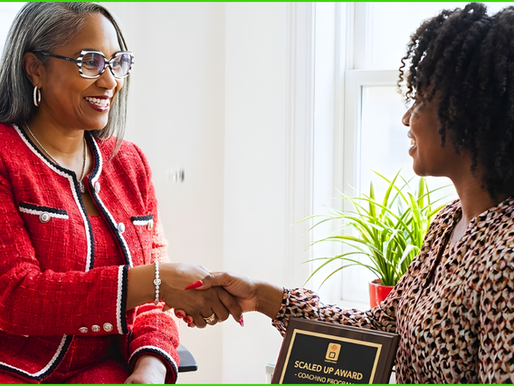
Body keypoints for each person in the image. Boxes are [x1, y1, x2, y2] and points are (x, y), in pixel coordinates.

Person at [184, 3, 514, 383]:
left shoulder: (505, 259)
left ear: (470, 113)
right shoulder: (447, 225)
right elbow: (379, 331)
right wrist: (261, 297)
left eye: (420, 101)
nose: (407, 118)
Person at [0, 3, 242, 384]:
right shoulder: (5, 157)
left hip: (110, 373)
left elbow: (156, 302)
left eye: (119, 63)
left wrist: (150, 367)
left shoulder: (129, 163)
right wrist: (154, 280)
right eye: (91, 62)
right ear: (35, 68)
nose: (111, 80)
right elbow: (14, 297)